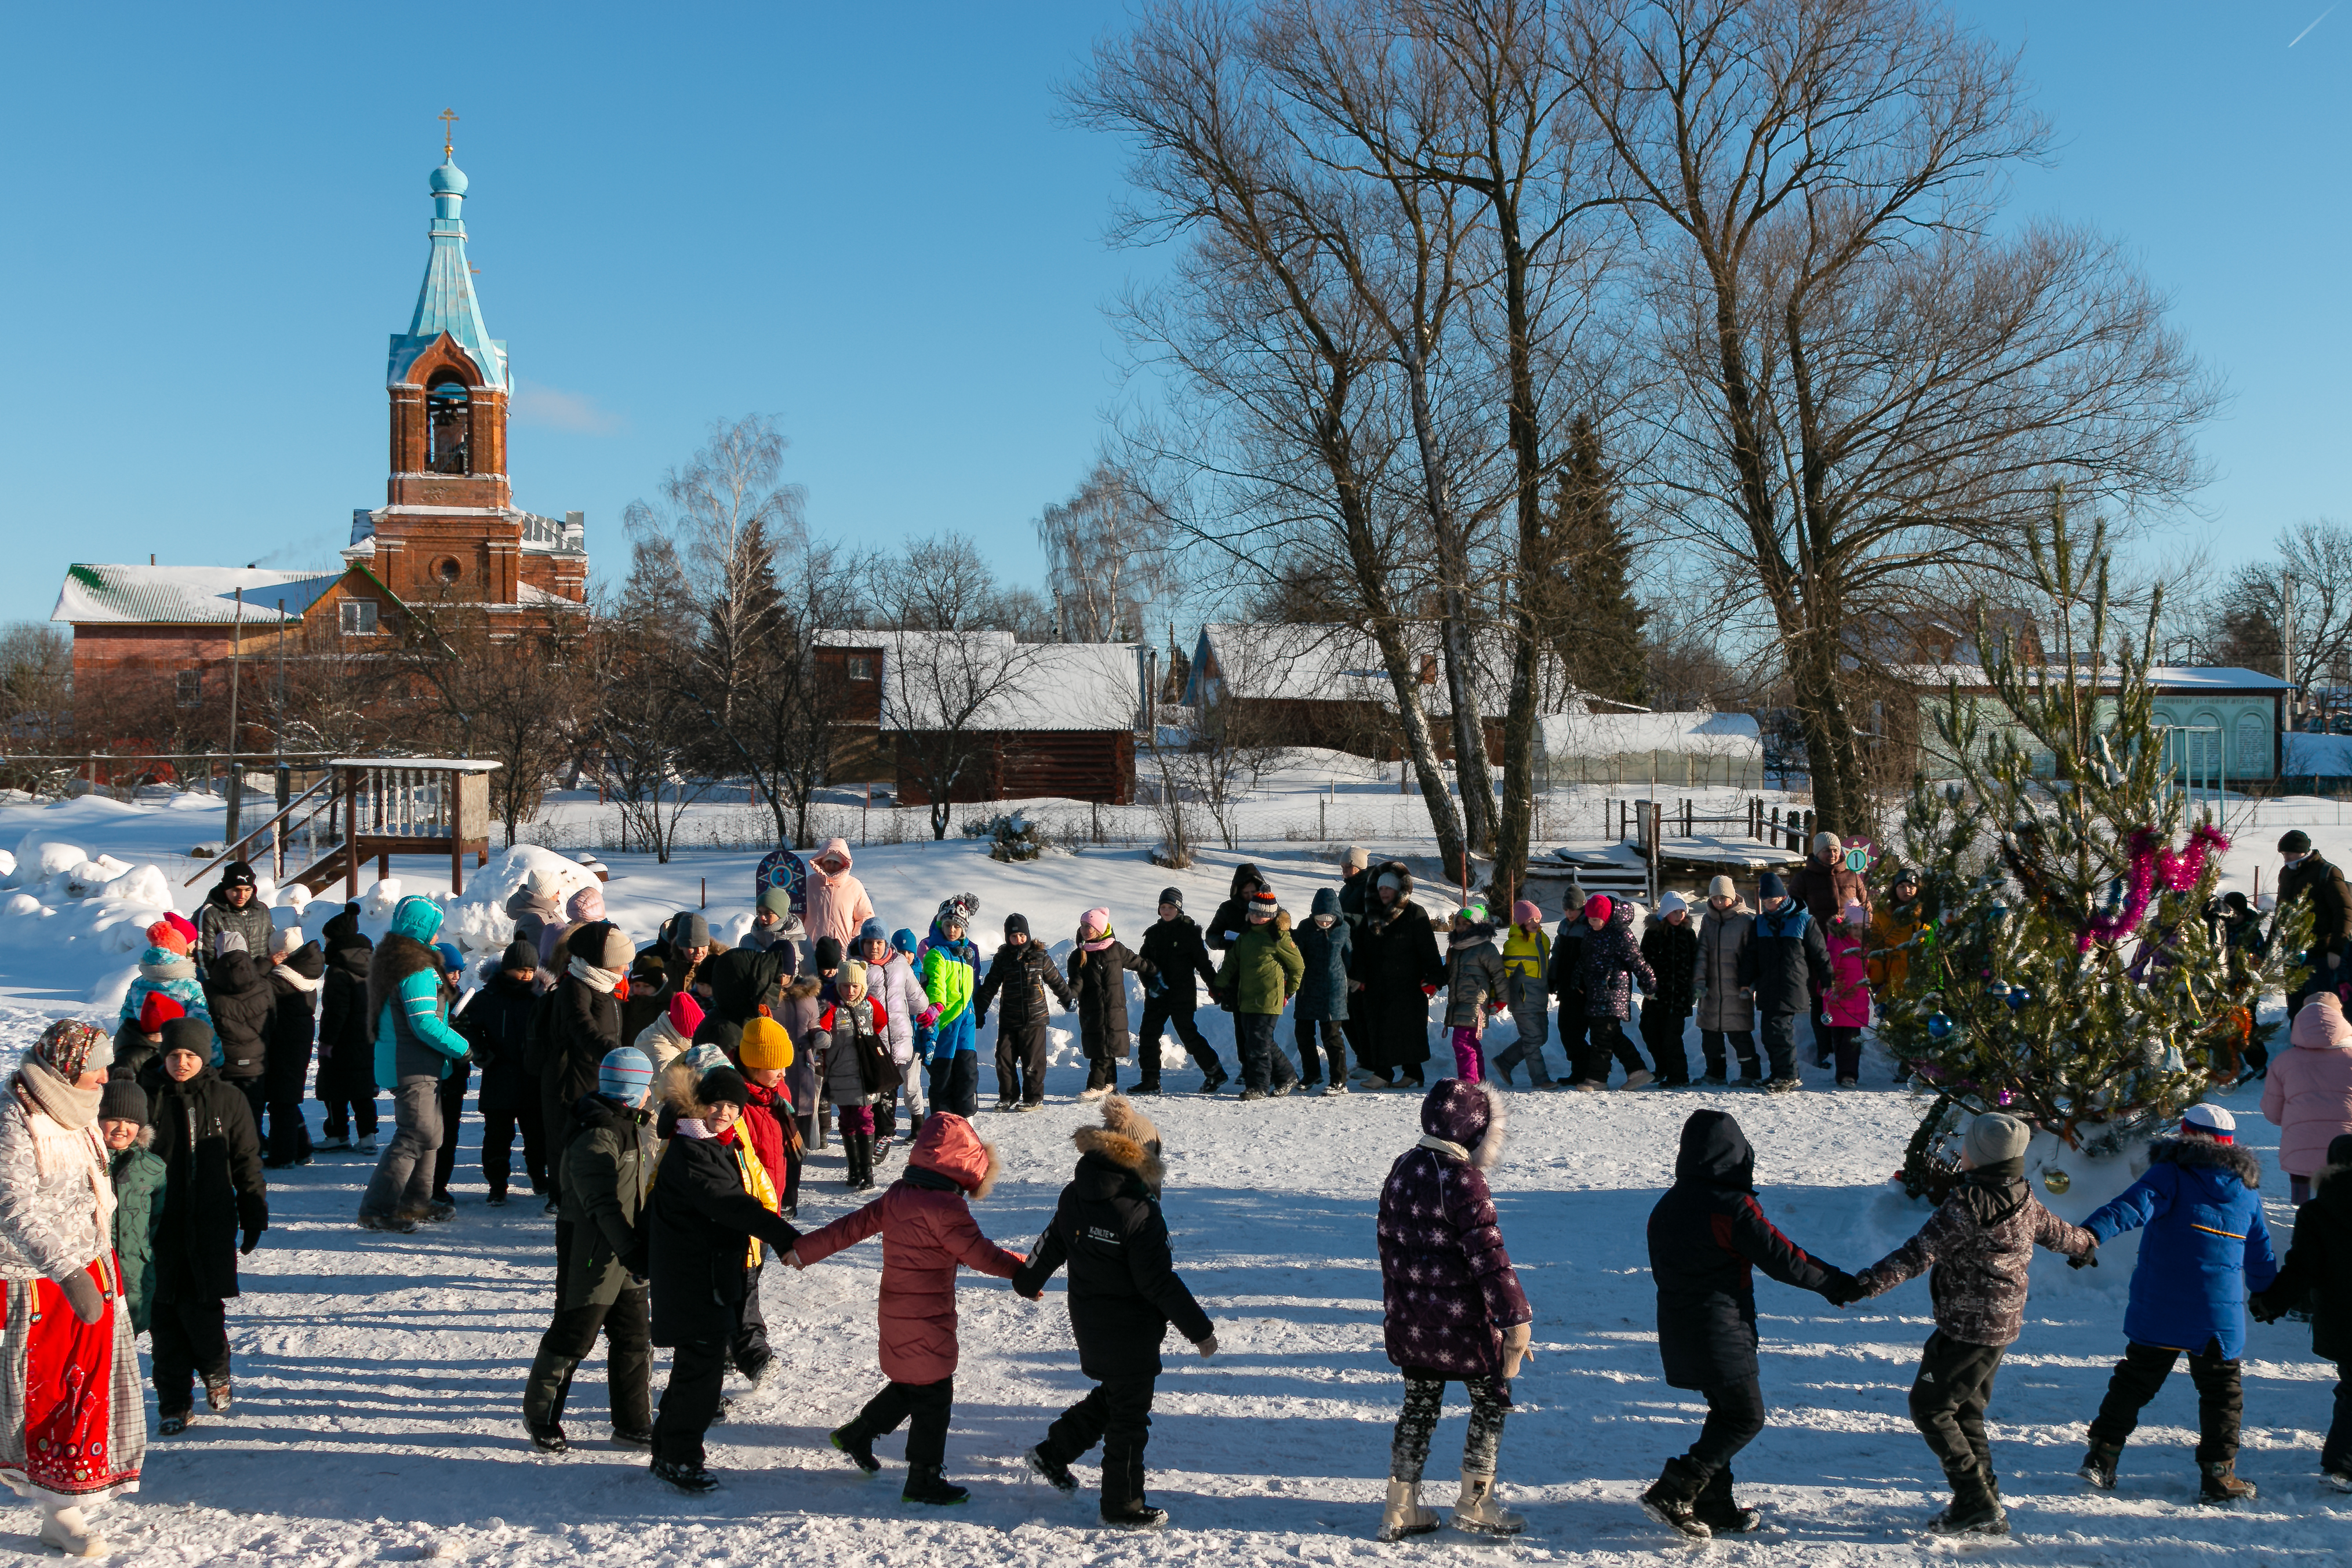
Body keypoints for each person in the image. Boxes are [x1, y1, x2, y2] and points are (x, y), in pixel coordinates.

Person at [1841, 1112, 2095, 1537]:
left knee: (1931, 1407)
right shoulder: (2023, 1195)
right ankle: (1983, 1499)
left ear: (1977, 1156)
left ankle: (1975, 1500)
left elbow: (1917, 1252)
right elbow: (2056, 1231)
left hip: (1965, 1327)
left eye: (1966, 1148)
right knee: (1966, 1411)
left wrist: (1864, 1284)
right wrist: (2084, 1245)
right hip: (1998, 1326)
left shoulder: (1967, 1204)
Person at [1638, 1109, 1849, 1541]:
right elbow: (1785, 1257)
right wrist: (1839, 1284)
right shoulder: (1731, 1207)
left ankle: (1715, 1506)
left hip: (1678, 1326)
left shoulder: (1667, 1203)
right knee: (1744, 1417)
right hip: (1720, 1328)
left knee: (1725, 1412)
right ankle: (1674, 1487)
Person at [795, 1112, 1025, 1505]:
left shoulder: (898, 1194)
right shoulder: (947, 1209)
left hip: (896, 1307)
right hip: (927, 1313)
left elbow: (849, 1227)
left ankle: (858, 1434)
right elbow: (982, 1256)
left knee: (913, 1381)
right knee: (934, 1393)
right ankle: (923, 1479)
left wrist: (800, 1249)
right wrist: (1025, 1272)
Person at [1016, 1096, 1217, 1528]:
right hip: (1132, 1328)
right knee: (1129, 1417)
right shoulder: (1140, 1212)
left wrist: (1028, 1280)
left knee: (1117, 1394)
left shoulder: (1075, 1194)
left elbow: (1051, 1242)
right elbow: (1157, 1281)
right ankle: (1122, 1504)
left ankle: (1052, 1452)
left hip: (1089, 1320)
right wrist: (1200, 1330)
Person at [2077, 1103, 2278, 1504]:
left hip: (2161, 1305)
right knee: (2222, 1393)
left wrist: (2087, 1235)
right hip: (2215, 1315)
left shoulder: (2169, 1173)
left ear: (2184, 1135)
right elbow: (2260, 1253)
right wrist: (2266, 1294)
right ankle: (2219, 1476)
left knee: (2135, 1380)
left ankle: (2102, 1457)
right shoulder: (2245, 1192)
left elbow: (2128, 1207)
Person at [0, 1021, 145, 1556]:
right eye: (95, 1069)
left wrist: (100, 1259)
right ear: (64, 1070)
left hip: (90, 1265)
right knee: (40, 1391)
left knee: (85, 1388)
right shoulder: (15, 1115)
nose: (105, 1077)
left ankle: (64, 1503)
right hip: (36, 1278)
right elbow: (14, 1205)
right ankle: (56, 1506)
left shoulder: (82, 1106)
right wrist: (65, 1270)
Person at [1374, 1080, 1533, 1542]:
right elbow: (1490, 1258)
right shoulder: (1463, 1178)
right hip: (1464, 1326)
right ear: (1476, 1131)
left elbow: (1389, 1246)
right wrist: (1515, 1320)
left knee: (1418, 1408)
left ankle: (1399, 1506)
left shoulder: (1402, 1166)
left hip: (1413, 1322)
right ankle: (1476, 1500)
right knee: (1490, 1402)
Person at [641, 1065, 798, 1491]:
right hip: (694, 1279)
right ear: (700, 1103)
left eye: (734, 1105)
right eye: (718, 1103)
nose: (726, 1112)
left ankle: (667, 1451)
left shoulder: (711, 1143)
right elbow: (729, 1203)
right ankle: (681, 1457)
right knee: (702, 1376)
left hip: (705, 1275)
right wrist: (784, 1237)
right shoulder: (693, 1150)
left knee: (693, 1369)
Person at [525, 1046, 659, 1453]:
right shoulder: (597, 1132)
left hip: (626, 1249)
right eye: (647, 1086)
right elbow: (601, 1204)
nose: (651, 1093)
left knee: (635, 1337)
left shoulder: (626, 1123)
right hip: (591, 1251)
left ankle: (633, 1421)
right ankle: (540, 1416)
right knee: (574, 1336)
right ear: (632, 1090)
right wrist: (631, 1250)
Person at [147, 1022, 268, 1436]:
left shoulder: (227, 1098)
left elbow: (246, 1159)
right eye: (175, 1055)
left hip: (210, 1224)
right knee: (163, 1316)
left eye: (190, 1056)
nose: (182, 1063)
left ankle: (216, 1371)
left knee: (201, 1311)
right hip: (157, 1227)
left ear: (204, 1057)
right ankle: (174, 1402)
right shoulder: (149, 1097)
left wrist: (254, 1212)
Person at [357, 896, 473, 1232]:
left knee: (431, 1134)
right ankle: (378, 1209)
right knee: (414, 1134)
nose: (439, 935)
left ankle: (415, 1203)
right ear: (423, 930)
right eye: (435, 928)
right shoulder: (415, 967)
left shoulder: (395, 960)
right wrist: (462, 1047)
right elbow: (423, 1021)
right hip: (411, 1064)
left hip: (414, 1061)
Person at [2250, 1132, 2352, 1489]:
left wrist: (2270, 1302)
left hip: (2342, 1320)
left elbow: (2302, 1269)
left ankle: (2341, 1465)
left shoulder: (2316, 1212)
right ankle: (2342, 1466)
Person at [530, 919, 631, 1203]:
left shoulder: (603, 986)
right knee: (565, 1138)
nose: (625, 969)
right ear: (603, 961)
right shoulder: (575, 988)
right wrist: (619, 1060)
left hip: (592, 1076)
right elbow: (584, 1029)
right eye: (621, 963)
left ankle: (582, 1191)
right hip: (568, 1079)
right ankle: (561, 1197)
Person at [457, 940, 549, 1206]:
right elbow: (469, 1029)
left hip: (532, 1078)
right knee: (497, 1136)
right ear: (507, 968)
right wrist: (483, 1055)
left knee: (536, 1135)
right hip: (499, 1076)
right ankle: (497, 1184)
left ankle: (538, 1176)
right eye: (521, 970)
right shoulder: (488, 998)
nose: (526, 976)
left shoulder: (539, 999)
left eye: (531, 971)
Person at [1355, 863, 1443, 1091]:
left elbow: (1428, 949)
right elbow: (1361, 949)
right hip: (1377, 984)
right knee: (1379, 1029)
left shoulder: (1414, 913)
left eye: (1389, 888)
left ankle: (1403, 1073)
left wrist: (1434, 977)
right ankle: (1398, 1072)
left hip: (1408, 984)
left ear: (1399, 890)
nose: (1384, 892)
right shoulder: (1372, 915)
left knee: (1406, 1030)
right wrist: (1359, 976)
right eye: (1381, 888)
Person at [1738, 872, 1828, 1094]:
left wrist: (1827, 981)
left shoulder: (1804, 921)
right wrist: (1746, 981)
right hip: (1768, 985)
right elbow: (1751, 955)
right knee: (1769, 1032)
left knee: (1779, 1030)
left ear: (1783, 896)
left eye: (1773, 900)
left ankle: (1790, 1075)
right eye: (1765, 901)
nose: (1769, 905)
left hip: (1791, 984)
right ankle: (1779, 1073)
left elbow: (1820, 955)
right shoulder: (1760, 923)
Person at [975, 914, 1074, 1111]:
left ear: (1027, 935)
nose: (1018, 940)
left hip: (1035, 1017)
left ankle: (1033, 1097)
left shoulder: (1039, 955)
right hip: (1009, 1018)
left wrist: (1068, 998)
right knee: (1003, 1059)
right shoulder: (1003, 959)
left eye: (1021, 935)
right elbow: (990, 986)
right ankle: (1008, 1096)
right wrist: (979, 1010)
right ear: (1007, 938)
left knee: (1033, 1061)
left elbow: (1055, 980)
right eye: (1013, 937)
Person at [1216, 888, 1305, 1101]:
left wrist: (1289, 991)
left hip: (1268, 999)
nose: (1258, 916)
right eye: (1255, 912)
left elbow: (1298, 967)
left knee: (1259, 1042)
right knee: (1258, 1041)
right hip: (1246, 998)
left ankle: (1258, 1086)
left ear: (1272, 915)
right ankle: (1287, 1075)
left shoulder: (1279, 938)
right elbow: (1230, 964)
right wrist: (1218, 984)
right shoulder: (1245, 936)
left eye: (1263, 913)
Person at [2264, 992, 2352, 1206]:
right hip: (2347, 1149)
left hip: (2300, 1150)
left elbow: (2273, 1113)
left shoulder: (2283, 1062)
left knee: (2304, 1207)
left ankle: (2305, 1229)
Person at [816, 959, 893, 1192]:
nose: (850, 991)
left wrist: (867, 1042)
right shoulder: (832, 1008)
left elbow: (881, 1021)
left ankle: (866, 1170)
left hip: (865, 1073)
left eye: (855, 987)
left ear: (863, 987)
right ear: (838, 986)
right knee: (847, 1119)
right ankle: (854, 1169)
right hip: (839, 1074)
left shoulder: (870, 1005)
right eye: (845, 986)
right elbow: (822, 1029)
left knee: (865, 1117)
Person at [1791, 832, 1868, 1065]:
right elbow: (1793, 911)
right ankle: (1826, 1049)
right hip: (1819, 947)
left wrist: (1863, 932)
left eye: (1835, 850)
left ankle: (1851, 1048)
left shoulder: (1852, 876)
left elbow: (1866, 907)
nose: (1832, 854)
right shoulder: (1804, 879)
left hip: (1850, 949)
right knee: (1821, 996)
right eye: (1827, 850)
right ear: (1817, 852)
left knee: (1850, 995)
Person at [1136, 889, 1224, 1094]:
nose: (1167, 911)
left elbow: (1204, 965)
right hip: (1157, 995)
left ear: (1179, 909)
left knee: (1188, 1034)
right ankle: (1150, 1080)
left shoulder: (1189, 934)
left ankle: (1215, 1072)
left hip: (1181, 995)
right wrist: (1151, 985)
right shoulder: (1153, 934)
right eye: (1163, 907)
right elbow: (1142, 964)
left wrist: (1216, 988)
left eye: (1171, 907)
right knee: (1148, 1036)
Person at [99, 1078, 166, 1345]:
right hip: (95, 1270)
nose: (121, 1128)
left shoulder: (153, 1168)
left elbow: (159, 1220)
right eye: (112, 1119)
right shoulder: (83, 1161)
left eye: (130, 1121)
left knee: (126, 1343)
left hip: (135, 1272)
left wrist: (148, 1255)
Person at [1572, 895, 1655, 1091]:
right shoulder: (1592, 932)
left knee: (1601, 1036)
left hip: (1613, 991)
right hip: (1596, 991)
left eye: (1595, 920)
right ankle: (1637, 1071)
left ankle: (1597, 1079)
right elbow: (1584, 959)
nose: (1592, 924)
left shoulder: (1620, 934)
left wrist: (1650, 983)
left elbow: (1637, 961)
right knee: (1611, 1033)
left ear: (1606, 916)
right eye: (1590, 920)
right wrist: (1577, 979)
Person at [857, 919, 928, 1152]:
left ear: (886, 943)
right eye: (869, 942)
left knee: (893, 1090)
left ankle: (884, 1135)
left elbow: (915, 993)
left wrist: (926, 1011)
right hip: (873, 1040)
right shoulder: (858, 967)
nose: (874, 947)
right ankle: (877, 1133)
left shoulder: (899, 963)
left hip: (900, 1035)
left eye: (878, 942)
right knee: (875, 1092)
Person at [315, 904, 379, 1152]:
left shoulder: (338, 971)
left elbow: (335, 1011)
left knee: (334, 1086)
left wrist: (327, 1042)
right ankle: (368, 1136)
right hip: (369, 1039)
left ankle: (337, 1133)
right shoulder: (373, 965)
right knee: (363, 1087)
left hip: (342, 1041)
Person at [1070, 908, 1150, 1102]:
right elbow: (1076, 981)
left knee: (1105, 1047)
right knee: (1101, 1046)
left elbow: (1137, 962)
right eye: (1083, 926)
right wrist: (1069, 995)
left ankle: (1096, 1085)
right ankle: (1109, 1082)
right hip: (1092, 1009)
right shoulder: (1079, 955)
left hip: (1114, 1008)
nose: (1085, 930)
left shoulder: (1116, 949)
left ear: (1100, 928)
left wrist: (1156, 973)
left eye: (1089, 927)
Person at [260, 925, 323, 1168]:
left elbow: (253, 987)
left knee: (281, 1102)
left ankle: (283, 1155)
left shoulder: (280, 981)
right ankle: (302, 1148)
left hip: (282, 1044)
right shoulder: (304, 975)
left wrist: (265, 964)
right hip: (297, 1044)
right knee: (287, 1099)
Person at [2277, 829, 2352, 1020]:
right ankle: (2299, 1043)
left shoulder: (2327, 872)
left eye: (2288, 854)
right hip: (2293, 951)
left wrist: (2336, 948)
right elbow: (2281, 910)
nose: (2285, 859)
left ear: (2302, 852)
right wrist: (2274, 941)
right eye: (2284, 855)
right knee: (2296, 1006)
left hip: (2321, 952)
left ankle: (2327, 1047)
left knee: (2322, 1006)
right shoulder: (2286, 873)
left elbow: (2344, 911)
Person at [919, 896, 984, 1119]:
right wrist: (936, 1005)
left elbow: (971, 989)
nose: (952, 930)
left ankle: (965, 1118)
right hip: (945, 1020)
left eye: (957, 926)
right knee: (943, 1076)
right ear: (940, 925)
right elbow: (935, 982)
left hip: (966, 1021)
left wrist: (976, 1011)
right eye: (948, 925)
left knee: (967, 1073)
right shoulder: (937, 954)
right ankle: (942, 1120)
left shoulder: (966, 957)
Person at [734, 1015, 802, 1217]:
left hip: (775, 1192)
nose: (784, 1074)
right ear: (753, 1066)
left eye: (785, 1067)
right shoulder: (737, 1102)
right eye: (775, 1068)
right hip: (748, 1201)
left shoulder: (779, 1091)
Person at [204, 932, 273, 1127]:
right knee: (254, 1115)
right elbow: (272, 1023)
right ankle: (255, 1150)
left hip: (223, 1065)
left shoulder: (208, 988)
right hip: (256, 1063)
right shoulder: (264, 986)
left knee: (225, 1117)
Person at [1694, 878, 1758, 1084]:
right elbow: (1702, 952)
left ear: (1732, 897)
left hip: (1736, 990)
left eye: (1723, 898)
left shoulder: (1745, 921)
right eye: (1715, 898)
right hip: (1712, 991)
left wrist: (1749, 983)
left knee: (1739, 1035)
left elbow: (1751, 957)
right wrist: (1699, 982)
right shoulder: (1707, 920)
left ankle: (1750, 1074)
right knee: (1710, 1035)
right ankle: (1715, 1073)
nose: (1719, 902)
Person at [1440, 902, 1508, 1086]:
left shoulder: (1485, 948)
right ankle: (1479, 1081)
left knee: (1461, 1042)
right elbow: (1450, 976)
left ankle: (1469, 1081)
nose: (1461, 928)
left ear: (1477, 926)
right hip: (1458, 1003)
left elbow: (1499, 975)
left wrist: (1502, 999)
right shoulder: (1456, 949)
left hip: (1475, 1004)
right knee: (1471, 1043)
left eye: (1466, 924)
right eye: (1459, 924)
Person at [1294, 888, 1353, 1093]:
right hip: (1308, 988)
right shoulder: (1305, 928)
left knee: (1331, 1036)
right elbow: (1295, 952)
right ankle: (1312, 1074)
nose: (1325, 921)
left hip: (1333, 990)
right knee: (1303, 1034)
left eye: (1329, 917)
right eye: (1321, 917)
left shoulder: (1343, 928)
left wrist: (1355, 977)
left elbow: (1349, 956)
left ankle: (1339, 1080)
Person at [1638, 893, 1699, 1086]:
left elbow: (1695, 962)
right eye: (1675, 911)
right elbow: (1642, 963)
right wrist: (1645, 985)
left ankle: (1679, 1077)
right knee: (1649, 1031)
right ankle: (1663, 1068)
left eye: (1682, 911)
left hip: (1679, 996)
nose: (1679, 915)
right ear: (1665, 913)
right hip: (1656, 995)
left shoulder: (1688, 934)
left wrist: (1694, 988)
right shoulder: (1653, 934)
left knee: (1671, 1037)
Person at [120, 914, 210, 1039]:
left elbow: (126, 1021)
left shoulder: (138, 984)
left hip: (145, 1045)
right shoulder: (190, 985)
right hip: (179, 1048)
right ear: (181, 950)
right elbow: (202, 1024)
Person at [1493, 900, 1552, 1089]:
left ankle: (1505, 1062)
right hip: (1522, 1000)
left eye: (1537, 918)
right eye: (1530, 920)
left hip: (1540, 999)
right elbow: (1503, 975)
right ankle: (1540, 1079)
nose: (1535, 922)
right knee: (1533, 1039)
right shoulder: (1515, 945)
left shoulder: (1544, 940)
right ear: (1521, 923)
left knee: (1541, 1037)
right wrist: (1497, 997)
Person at [194, 860, 274, 983]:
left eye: (247, 890)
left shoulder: (262, 910)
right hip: (227, 986)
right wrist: (213, 988)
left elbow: (271, 945)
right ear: (225, 888)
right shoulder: (210, 913)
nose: (242, 895)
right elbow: (203, 957)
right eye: (236, 890)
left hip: (260, 984)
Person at [1821, 903, 1873, 1088]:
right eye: (1855, 928)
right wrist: (1826, 987)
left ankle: (1848, 1075)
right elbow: (1828, 969)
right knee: (1839, 1038)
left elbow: (1871, 970)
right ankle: (1842, 1073)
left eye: (1862, 929)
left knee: (1852, 1040)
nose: (1859, 932)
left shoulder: (1867, 947)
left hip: (1858, 1000)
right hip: (1838, 998)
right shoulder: (1837, 944)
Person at [1546, 885, 1591, 1085]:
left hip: (1582, 989)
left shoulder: (1589, 926)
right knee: (1565, 1029)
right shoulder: (1564, 925)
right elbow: (1557, 954)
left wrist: (1583, 983)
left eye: (1573, 909)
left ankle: (1585, 1070)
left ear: (1582, 906)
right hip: (1565, 986)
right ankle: (1579, 1069)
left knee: (1576, 1031)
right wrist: (1552, 978)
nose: (1569, 913)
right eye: (1566, 909)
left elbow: (1589, 959)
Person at [804, 838, 877, 953]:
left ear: (843, 863)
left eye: (836, 862)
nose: (831, 866)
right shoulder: (809, 883)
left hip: (842, 951)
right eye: (828, 862)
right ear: (821, 861)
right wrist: (802, 938)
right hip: (811, 950)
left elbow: (866, 917)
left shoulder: (854, 886)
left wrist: (853, 940)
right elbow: (797, 914)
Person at [1868, 867, 1925, 1001]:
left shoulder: (1926, 913)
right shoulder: (1883, 915)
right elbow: (1876, 949)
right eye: (1902, 887)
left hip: (1922, 980)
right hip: (1893, 979)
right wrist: (1876, 980)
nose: (1907, 890)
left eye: (1911, 886)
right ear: (1894, 889)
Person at [1204, 863, 1269, 954]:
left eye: (1253, 892)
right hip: (1235, 962)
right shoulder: (1227, 909)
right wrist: (1223, 943)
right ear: (1238, 892)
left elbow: (1285, 933)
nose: (1250, 896)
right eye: (1246, 893)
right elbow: (1211, 936)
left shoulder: (1269, 906)